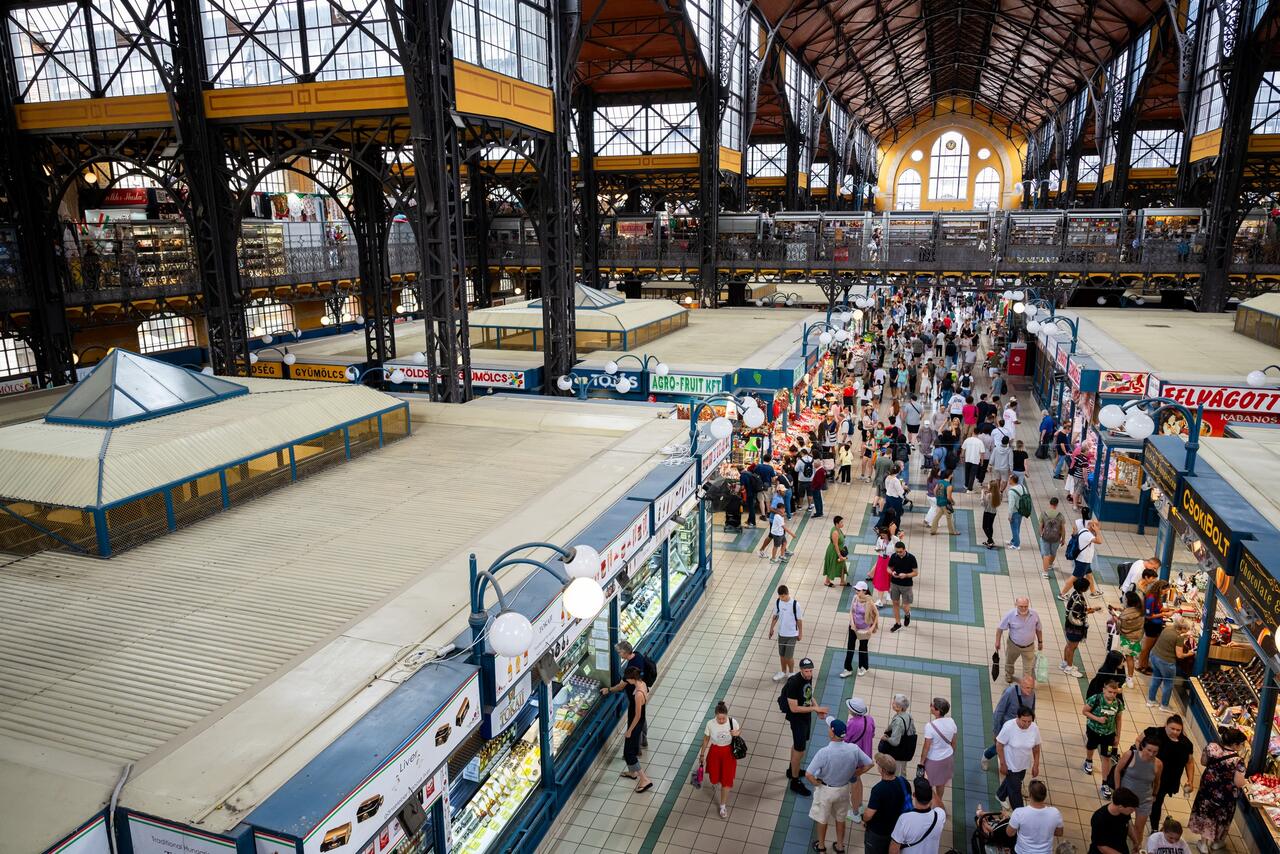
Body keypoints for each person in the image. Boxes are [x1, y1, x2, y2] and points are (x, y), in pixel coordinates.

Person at [806, 718, 873, 854]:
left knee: (822, 819)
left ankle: (821, 847)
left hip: (826, 790)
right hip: (843, 789)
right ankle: (840, 846)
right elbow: (870, 763)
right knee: (840, 818)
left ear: (832, 732)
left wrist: (816, 783)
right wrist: (856, 773)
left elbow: (809, 774)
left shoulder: (824, 752)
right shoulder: (853, 749)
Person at [1141, 715, 1198, 830]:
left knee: (1157, 802)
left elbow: (1189, 762)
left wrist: (1190, 781)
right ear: (1166, 725)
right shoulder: (1155, 733)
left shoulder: (1186, 744)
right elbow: (1139, 740)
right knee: (1148, 799)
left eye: (1178, 730)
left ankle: (1154, 827)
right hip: (1150, 774)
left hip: (1169, 779)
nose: (1175, 732)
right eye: (1172, 728)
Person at [783, 658, 828, 796]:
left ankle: (792, 770)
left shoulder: (808, 678)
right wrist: (815, 709)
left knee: (798, 745)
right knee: (800, 750)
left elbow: (809, 695)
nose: (809, 674)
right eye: (806, 671)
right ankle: (795, 781)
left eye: (810, 671)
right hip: (797, 719)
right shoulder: (794, 683)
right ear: (801, 670)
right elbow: (794, 708)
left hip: (805, 716)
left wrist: (817, 708)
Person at [1117, 735, 1164, 846]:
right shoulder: (1130, 755)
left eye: (1155, 752)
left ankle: (1136, 848)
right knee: (1120, 825)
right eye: (1149, 750)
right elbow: (1117, 771)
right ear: (1142, 746)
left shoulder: (1158, 764)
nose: (1151, 754)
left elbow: (1157, 782)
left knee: (1139, 829)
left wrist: (1154, 795)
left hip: (1144, 800)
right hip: (1125, 799)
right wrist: (1117, 790)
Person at [697, 701, 742, 818]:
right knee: (714, 778)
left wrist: (736, 733)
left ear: (727, 715)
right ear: (715, 716)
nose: (721, 721)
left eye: (723, 718)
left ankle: (723, 806)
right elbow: (706, 740)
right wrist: (702, 755)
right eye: (719, 719)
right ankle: (716, 782)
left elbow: (738, 731)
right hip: (715, 752)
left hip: (729, 753)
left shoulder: (732, 722)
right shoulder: (710, 724)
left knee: (726, 780)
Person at [862, 753, 913, 854]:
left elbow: (868, 815)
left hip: (879, 832)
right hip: (897, 828)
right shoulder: (903, 782)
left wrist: (864, 818)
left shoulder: (878, 789)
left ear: (882, 770)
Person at [1083, 680, 1126, 797]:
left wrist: (1118, 736)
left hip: (1109, 735)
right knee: (1090, 747)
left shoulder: (1118, 703)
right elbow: (1085, 711)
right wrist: (1098, 719)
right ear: (1104, 690)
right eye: (1110, 692)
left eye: (1115, 693)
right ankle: (1088, 761)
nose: (1112, 694)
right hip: (1093, 730)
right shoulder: (1095, 699)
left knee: (1106, 757)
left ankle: (1105, 783)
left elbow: (1118, 720)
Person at [984, 674, 1036, 769]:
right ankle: (986, 755)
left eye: (1032, 688)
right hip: (1007, 727)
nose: (1030, 691)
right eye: (1027, 688)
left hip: (1021, 727)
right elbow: (999, 712)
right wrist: (996, 731)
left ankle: (1010, 767)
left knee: (1013, 748)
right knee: (1000, 746)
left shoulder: (1032, 694)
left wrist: (1030, 727)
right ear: (1021, 685)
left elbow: (1032, 711)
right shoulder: (1010, 692)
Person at [995, 706, 1042, 810]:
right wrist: (1003, 764)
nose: (1027, 724)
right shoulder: (1009, 727)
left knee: (1015, 781)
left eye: (1029, 721)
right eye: (1024, 721)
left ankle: (1000, 795)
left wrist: (1036, 765)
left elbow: (1036, 747)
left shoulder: (1034, 728)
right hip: (1010, 764)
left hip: (1023, 763)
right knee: (1015, 790)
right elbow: (999, 744)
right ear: (1018, 717)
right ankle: (1020, 812)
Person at [889, 778, 946, 854]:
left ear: (914, 795)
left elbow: (894, 850)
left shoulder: (905, 819)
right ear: (931, 797)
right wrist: (929, 789)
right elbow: (940, 807)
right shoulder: (939, 815)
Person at [619, 667, 653, 793]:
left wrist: (630, 730)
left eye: (627, 679)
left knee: (629, 752)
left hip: (636, 723)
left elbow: (637, 715)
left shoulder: (638, 694)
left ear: (632, 679)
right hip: (638, 721)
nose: (626, 681)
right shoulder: (642, 683)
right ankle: (632, 772)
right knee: (628, 748)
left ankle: (644, 779)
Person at [1007, 779, 1064, 854]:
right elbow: (1059, 833)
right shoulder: (1055, 813)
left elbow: (1009, 833)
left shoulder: (1019, 813)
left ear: (1030, 795)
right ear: (1045, 796)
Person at [995, 598, 1044, 683]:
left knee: (1028, 667)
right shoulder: (1010, 614)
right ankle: (1009, 675)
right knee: (1009, 662)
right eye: (1021, 606)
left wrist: (1040, 642)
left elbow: (1038, 629)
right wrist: (997, 641)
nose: (1024, 608)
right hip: (1013, 645)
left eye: (1026, 606)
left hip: (1029, 647)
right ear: (1016, 605)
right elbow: (1000, 628)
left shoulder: (1034, 615)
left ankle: (1026, 683)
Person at [844, 698, 878, 820]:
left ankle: (855, 813)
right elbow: (872, 734)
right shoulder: (870, 719)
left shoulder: (852, 723)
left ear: (852, 711)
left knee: (854, 784)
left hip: (854, 758)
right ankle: (859, 805)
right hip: (865, 756)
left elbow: (845, 740)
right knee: (858, 780)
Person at [919, 698, 957, 809]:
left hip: (933, 760)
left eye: (932, 705)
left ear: (937, 711)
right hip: (947, 758)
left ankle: (927, 803)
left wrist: (922, 762)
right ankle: (938, 803)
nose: (930, 706)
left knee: (928, 783)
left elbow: (926, 747)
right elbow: (954, 742)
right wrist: (949, 754)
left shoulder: (930, 726)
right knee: (941, 783)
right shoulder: (951, 721)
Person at [1146, 617, 1190, 712]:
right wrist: (1189, 653)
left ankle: (1151, 700)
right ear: (1182, 628)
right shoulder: (1179, 637)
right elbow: (1179, 655)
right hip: (1166, 662)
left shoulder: (1168, 628)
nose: (1188, 631)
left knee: (1156, 678)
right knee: (1168, 683)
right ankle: (1164, 705)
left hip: (1154, 656)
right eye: (1187, 629)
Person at [1063, 576, 1099, 677]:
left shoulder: (1075, 594)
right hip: (1075, 628)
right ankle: (1069, 667)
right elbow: (1077, 615)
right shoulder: (1079, 600)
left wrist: (1091, 609)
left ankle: (1065, 663)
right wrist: (1089, 612)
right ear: (1084, 588)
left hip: (1069, 625)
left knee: (1069, 645)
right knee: (1072, 647)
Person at [842, 581, 878, 677]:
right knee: (850, 647)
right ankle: (847, 668)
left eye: (858, 590)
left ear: (864, 591)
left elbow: (876, 615)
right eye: (856, 589)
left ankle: (863, 667)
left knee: (863, 648)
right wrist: (852, 623)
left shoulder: (869, 601)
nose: (856, 591)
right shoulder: (855, 598)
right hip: (853, 627)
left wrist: (872, 628)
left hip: (864, 629)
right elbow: (851, 611)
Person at [1062, 518, 1103, 600]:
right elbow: (1100, 541)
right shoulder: (1087, 534)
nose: (1099, 527)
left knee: (1089, 575)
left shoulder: (1085, 531)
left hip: (1084, 560)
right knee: (1074, 577)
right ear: (1092, 526)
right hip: (1083, 561)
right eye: (1097, 526)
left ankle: (1093, 592)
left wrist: (1096, 531)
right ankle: (1062, 593)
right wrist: (1097, 531)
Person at [768, 584, 803, 682]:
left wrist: (800, 633)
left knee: (789, 656)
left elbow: (799, 620)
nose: (781, 598)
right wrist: (771, 628)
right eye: (780, 596)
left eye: (783, 596)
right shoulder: (778, 602)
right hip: (781, 634)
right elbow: (775, 616)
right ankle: (783, 671)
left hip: (792, 635)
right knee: (782, 655)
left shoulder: (795, 605)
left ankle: (791, 673)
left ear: (787, 594)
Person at [1138, 580, 1174, 673]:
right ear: (1160, 588)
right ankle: (1141, 666)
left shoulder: (1157, 597)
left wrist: (1166, 609)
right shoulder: (1151, 598)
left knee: (1151, 647)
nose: (1166, 593)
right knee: (1147, 648)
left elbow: (1157, 608)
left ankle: (1145, 664)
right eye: (1165, 590)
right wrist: (1164, 614)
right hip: (1151, 625)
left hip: (1156, 624)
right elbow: (1149, 616)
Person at [1090, 788, 1141, 854]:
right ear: (1120, 807)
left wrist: (1135, 841)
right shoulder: (1099, 819)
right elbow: (1101, 847)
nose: (1133, 811)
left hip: (1121, 847)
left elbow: (1129, 824)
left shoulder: (1124, 812)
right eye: (1131, 809)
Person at [881, 694, 917, 777]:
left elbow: (895, 742)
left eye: (894, 703)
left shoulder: (898, 721)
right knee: (903, 770)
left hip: (898, 752)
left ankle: (897, 783)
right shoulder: (908, 715)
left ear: (899, 707)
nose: (892, 704)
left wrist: (886, 739)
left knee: (895, 772)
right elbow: (913, 730)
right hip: (906, 749)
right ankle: (903, 781)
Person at [887, 541, 918, 633]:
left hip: (906, 585)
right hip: (894, 583)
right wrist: (892, 572)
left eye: (900, 551)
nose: (898, 553)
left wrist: (906, 575)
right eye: (897, 551)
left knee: (905, 606)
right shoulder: (894, 556)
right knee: (895, 603)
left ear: (905, 550)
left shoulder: (911, 558)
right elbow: (888, 568)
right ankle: (898, 623)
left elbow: (915, 573)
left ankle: (907, 614)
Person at [1038, 496, 1067, 580]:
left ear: (1050, 503)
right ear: (1057, 504)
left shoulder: (1044, 514)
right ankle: (1050, 564)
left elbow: (1040, 526)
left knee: (1046, 555)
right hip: (1056, 538)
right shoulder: (1060, 516)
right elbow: (1063, 529)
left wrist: (1041, 534)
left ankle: (1045, 572)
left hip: (1045, 537)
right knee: (1053, 553)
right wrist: (1063, 539)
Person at [1006, 472, 1031, 549]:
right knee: (1017, 527)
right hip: (1022, 510)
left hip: (1015, 512)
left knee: (1014, 528)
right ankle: (1013, 540)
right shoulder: (1023, 487)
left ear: (1012, 480)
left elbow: (1011, 505)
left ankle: (1016, 545)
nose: (1008, 480)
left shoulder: (1011, 491)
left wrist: (1009, 515)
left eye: (1009, 479)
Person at [823, 515, 849, 587]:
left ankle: (842, 581)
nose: (843, 524)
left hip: (839, 550)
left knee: (842, 565)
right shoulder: (835, 532)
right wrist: (839, 555)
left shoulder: (838, 529)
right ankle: (827, 581)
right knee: (832, 565)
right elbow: (835, 545)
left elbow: (840, 537)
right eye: (841, 522)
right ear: (837, 523)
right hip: (834, 552)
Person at [929, 469, 957, 536]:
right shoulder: (949, 485)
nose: (953, 475)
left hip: (939, 502)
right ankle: (952, 532)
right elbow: (948, 497)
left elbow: (934, 491)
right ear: (950, 475)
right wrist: (953, 502)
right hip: (945, 503)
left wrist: (938, 498)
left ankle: (933, 530)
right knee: (949, 518)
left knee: (937, 516)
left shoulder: (940, 481)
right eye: (952, 474)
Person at [872, 526, 893, 606]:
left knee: (890, 577)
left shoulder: (894, 539)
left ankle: (889, 592)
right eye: (881, 535)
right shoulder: (880, 539)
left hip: (891, 560)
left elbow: (898, 548)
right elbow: (877, 548)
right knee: (881, 578)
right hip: (882, 559)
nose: (882, 537)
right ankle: (880, 600)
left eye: (884, 535)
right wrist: (879, 549)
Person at [981, 478, 1002, 549]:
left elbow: (983, 504)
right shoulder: (998, 494)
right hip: (993, 512)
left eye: (988, 485)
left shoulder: (989, 495)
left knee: (984, 527)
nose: (988, 485)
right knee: (990, 526)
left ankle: (990, 541)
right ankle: (989, 541)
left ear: (991, 487)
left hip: (987, 512)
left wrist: (982, 494)